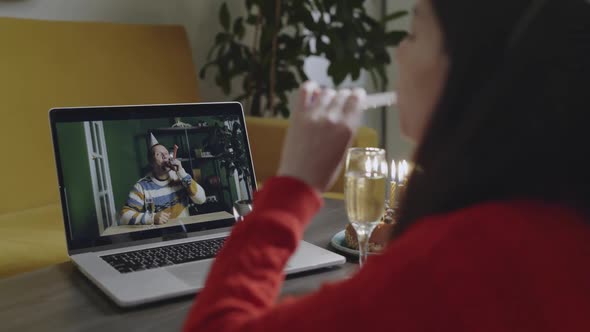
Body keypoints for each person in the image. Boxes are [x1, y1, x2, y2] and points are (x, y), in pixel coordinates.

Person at [184, 0, 590, 331]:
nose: (398, 51)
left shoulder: (458, 263)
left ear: (472, 65)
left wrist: (294, 184)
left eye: (413, 33)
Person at [120, 136, 206, 226]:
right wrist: (152, 218)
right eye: (158, 154)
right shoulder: (142, 187)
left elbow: (201, 199)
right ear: (151, 162)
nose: (165, 156)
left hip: (186, 229)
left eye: (166, 153)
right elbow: (123, 216)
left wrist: (182, 172)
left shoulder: (180, 177)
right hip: (161, 235)